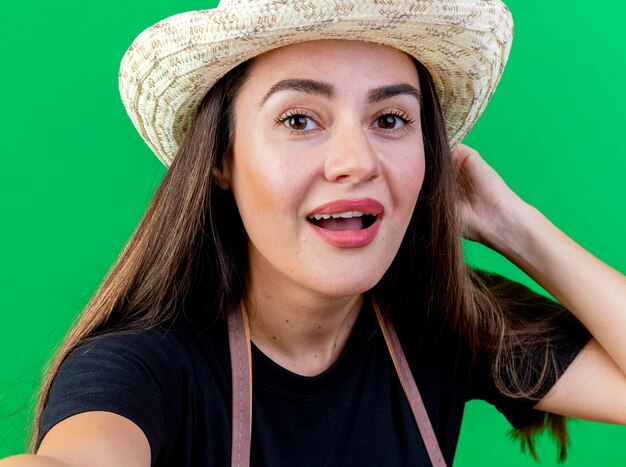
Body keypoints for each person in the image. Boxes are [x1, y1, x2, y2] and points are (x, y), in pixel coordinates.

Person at [2, 0, 625, 465]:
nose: (356, 160)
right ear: (221, 159)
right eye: (299, 119)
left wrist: (511, 224)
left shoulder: (441, 325)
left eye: (389, 118)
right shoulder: (141, 369)